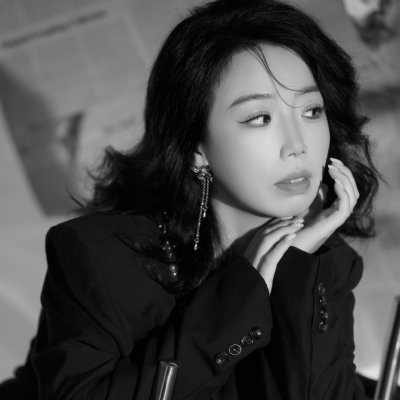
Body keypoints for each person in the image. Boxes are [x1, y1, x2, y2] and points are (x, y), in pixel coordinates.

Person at [0, 0, 381, 398]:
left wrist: (296, 269)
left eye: (312, 110)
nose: (298, 145)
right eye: (259, 118)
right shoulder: (101, 260)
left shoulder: (324, 259)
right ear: (195, 145)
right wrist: (241, 295)